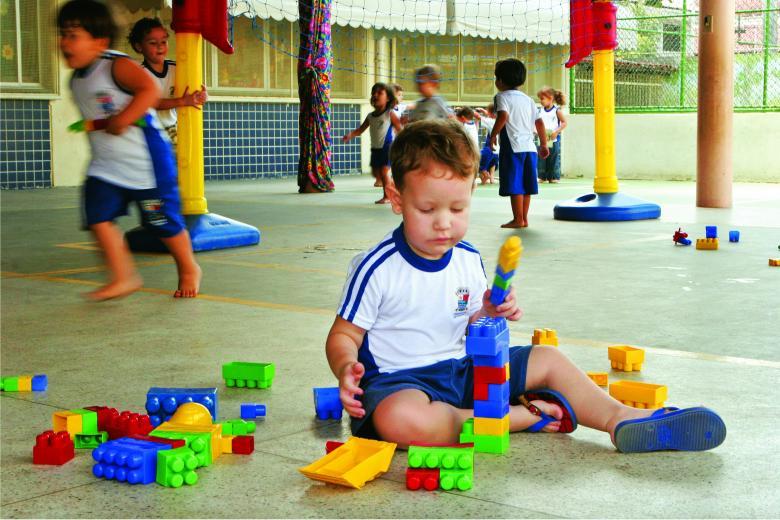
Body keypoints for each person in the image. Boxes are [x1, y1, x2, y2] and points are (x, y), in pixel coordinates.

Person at [325, 119, 726, 453]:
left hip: (463, 372)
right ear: (396, 198)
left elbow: (465, 327)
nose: (444, 222)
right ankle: (523, 417)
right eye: (427, 209)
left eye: (458, 208)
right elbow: (343, 334)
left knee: (547, 358)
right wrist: (346, 368)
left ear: (471, 193)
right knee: (400, 421)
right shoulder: (376, 267)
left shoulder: (466, 258)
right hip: (401, 384)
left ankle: (617, 417)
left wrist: (488, 313)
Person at [58, 0, 201, 300]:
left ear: (99, 40)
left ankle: (188, 268)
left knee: (162, 221)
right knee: (97, 216)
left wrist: (123, 118)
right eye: (62, 34)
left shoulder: (115, 65)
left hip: (146, 162)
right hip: (106, 165)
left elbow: (149, 90)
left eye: (73, 35)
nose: (64, 42)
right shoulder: (76, 80)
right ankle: (124, 276)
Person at [128, 17, 207, 145]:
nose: (160, 46)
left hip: (172, 127)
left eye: (164, 42)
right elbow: (149, 103)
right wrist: (182, 101)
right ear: (139, 46)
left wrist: (201, 96)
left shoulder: (178, 69)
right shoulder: (139, 74)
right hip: (148, 129)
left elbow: (194, 91)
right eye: (153, 43)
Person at [489, 59, 549, 229]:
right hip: (530, 148)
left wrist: (493, 135)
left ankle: (517, 219)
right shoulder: (528, 100)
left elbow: (503, 117)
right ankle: (524, 219)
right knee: (527, 184)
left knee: (515, 184)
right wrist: (543, 144)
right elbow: (539, 123)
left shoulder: (501, 96)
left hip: (513, 147)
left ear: (500, 80)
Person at [343, 83, 402, 204]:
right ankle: (394, 187)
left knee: (384, 172)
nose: (375, 95)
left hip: (387, 147)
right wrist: (350, 135)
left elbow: (399, 127)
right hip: (375, 149)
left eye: (379, 93)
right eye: (373, 93)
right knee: (376, 174)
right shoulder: (370, 116)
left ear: (388, 98)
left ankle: (387, 197)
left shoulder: (389, 114)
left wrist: (404, 141)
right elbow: (360, 130)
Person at [536, 86, 567, 183]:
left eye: (542, 98)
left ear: (551, 98)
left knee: (553, 157)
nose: (541, 101)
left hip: (553, 138)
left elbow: (564, 122)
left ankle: (553, 176)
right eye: (540, 99)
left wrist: (556, 132)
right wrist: (535, 131)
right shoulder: (540, 111)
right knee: (541, 158)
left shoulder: (557, 110)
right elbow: (536, 122)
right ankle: (542, 176)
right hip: (542, 138)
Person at [475, 103, 499, 185]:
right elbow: (493, 116)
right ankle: (491, 178)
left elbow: (478, 117)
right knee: (492, 164)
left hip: (490, 149)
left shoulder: (491, 122)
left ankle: (485, 176)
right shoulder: (503, 120)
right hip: (498, 151)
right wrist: (484, 111)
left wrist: (467, 111)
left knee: (480, 167)